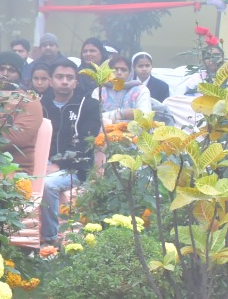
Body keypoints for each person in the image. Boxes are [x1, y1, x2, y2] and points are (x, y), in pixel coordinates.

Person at [40, 59, 102, 242]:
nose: (64, 81)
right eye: (59, 77)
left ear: (76, 82)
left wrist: (58, 165)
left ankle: (50, 238)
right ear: (50, 81)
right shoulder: (40, 105)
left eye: (69, 77)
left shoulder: (88, 106)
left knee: (48, 185)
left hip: (75, 169)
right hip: (41, 163)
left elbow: (85, 144)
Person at [100, 53, 153, 122]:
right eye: (115, 69)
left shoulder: (140, 90)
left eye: (123, 70)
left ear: (130, 73)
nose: (119, 73)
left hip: (132, 129)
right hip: (101, 129)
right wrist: (122, 114)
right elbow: (93, 116)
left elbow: (145, 117)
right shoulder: (100, 90)